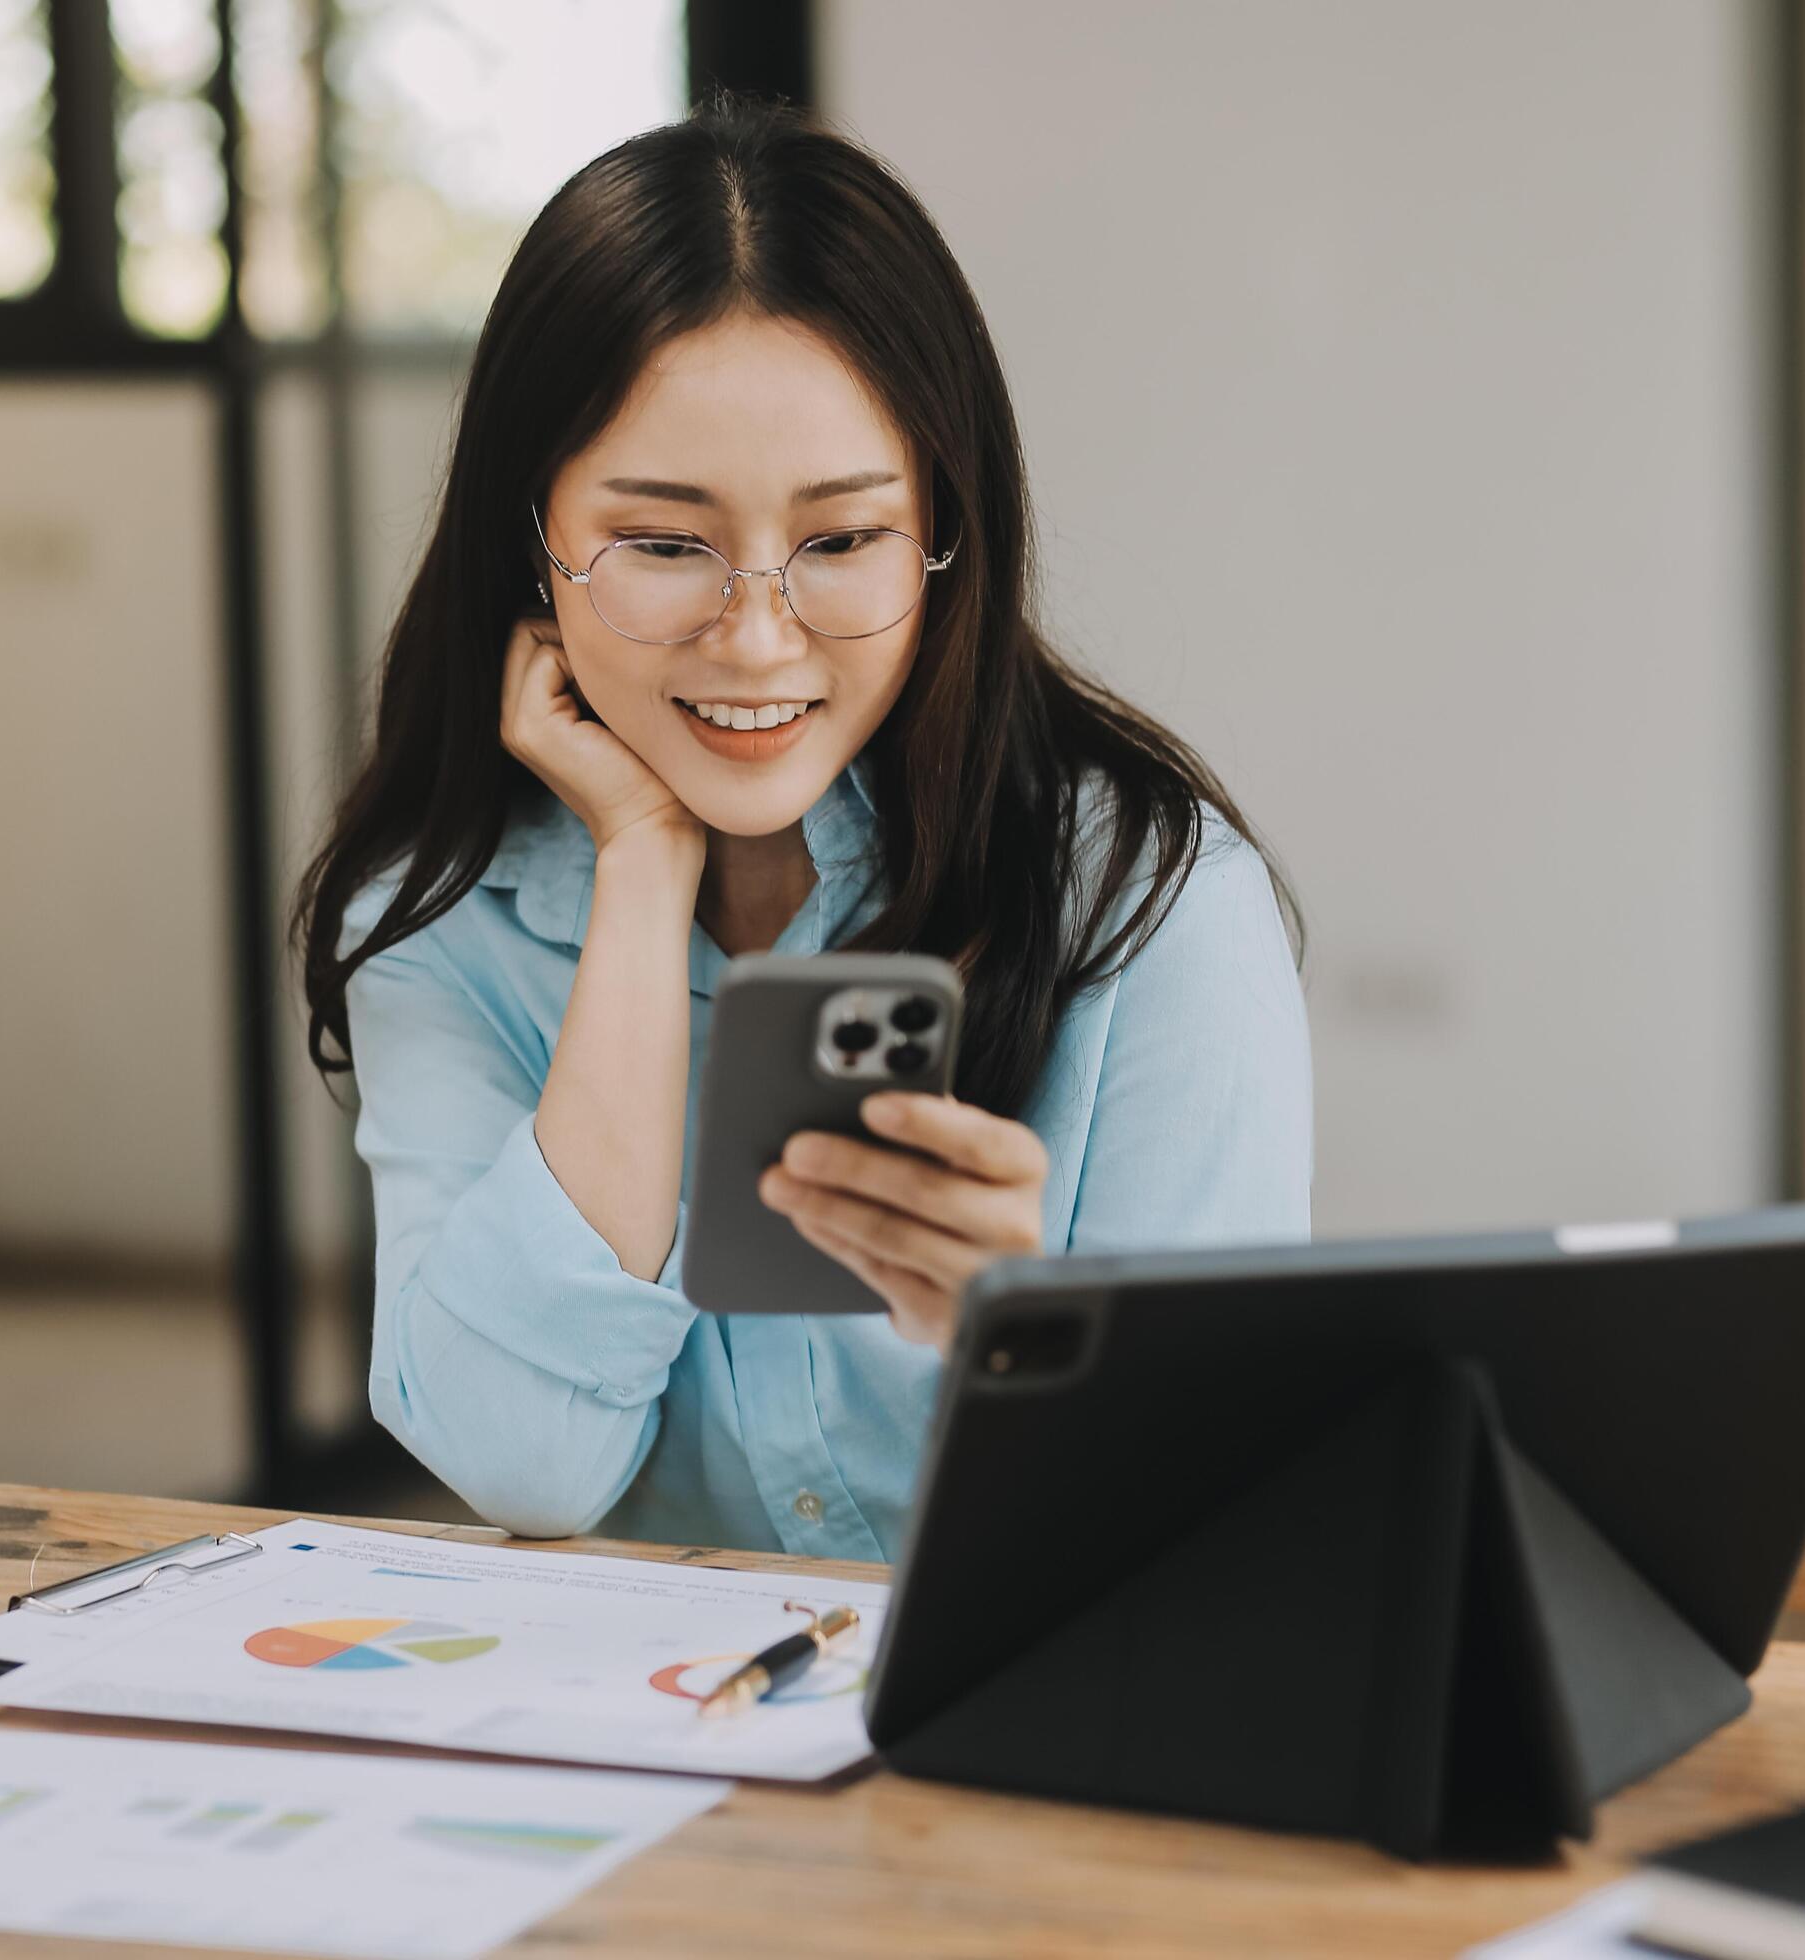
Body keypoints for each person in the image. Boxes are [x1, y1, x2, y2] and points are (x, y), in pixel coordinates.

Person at [293, 97, 1310, 1561]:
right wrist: (643, 872)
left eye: (839, 543)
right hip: (669, 1753)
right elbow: (527, 1468)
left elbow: (1231, 1520)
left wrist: (1036, 1346)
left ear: (945, 533)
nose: (758, 641)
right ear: (535, 543)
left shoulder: (1150, 903)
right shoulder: (446, 921)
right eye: (662, 545)